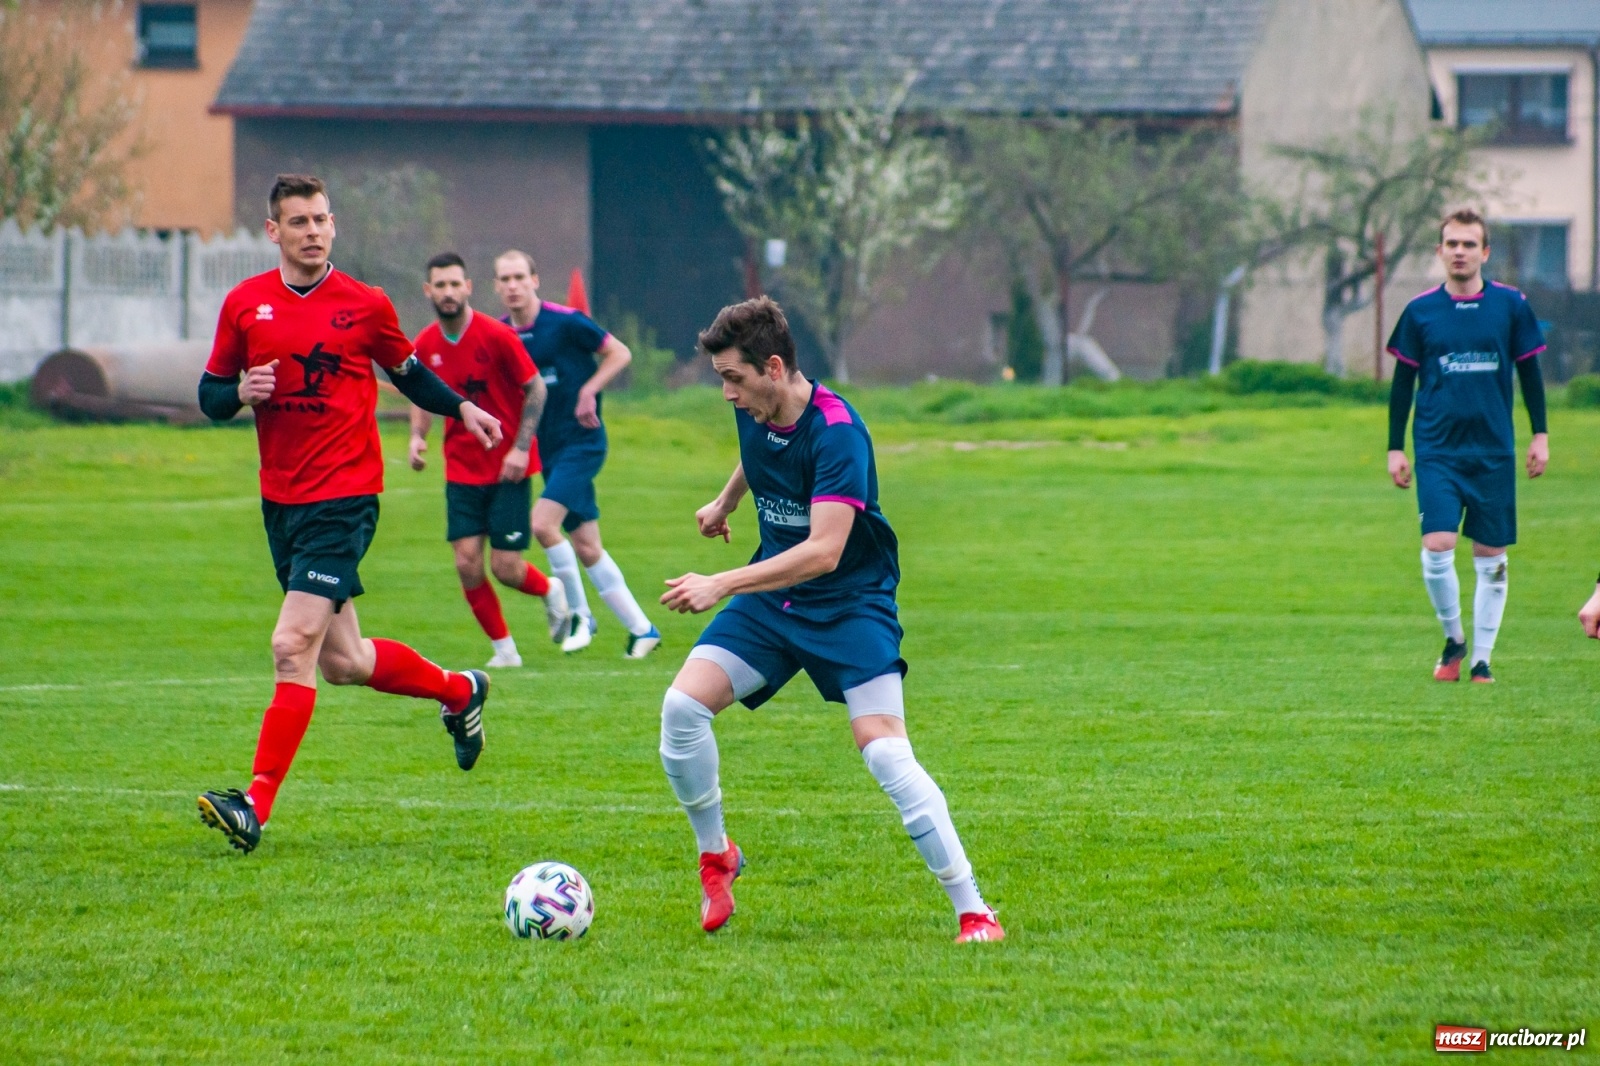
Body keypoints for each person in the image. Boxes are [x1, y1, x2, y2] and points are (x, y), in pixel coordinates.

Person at [656, 296, 1004, 943]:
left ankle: (975, 911)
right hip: (774, 602)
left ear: (774, 367)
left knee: (886, 754)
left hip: (850, 603)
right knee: (681, 710)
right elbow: (760, 449)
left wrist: (720, 583)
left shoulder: (839, 431)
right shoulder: (757, 405)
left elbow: (824, 552)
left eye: (734, 378)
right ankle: (717, 857)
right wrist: (726, 500)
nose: (727, 393)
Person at [194, 174, 504, 854]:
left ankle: (255, 804)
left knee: (291, 645)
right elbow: (209, 394)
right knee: (344, 661)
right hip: (282, 501)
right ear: (273, 231)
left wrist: (463, 408)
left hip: (345, 496)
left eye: (321, 219)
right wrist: (240, 391)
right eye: (298, 221)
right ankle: (460, 691)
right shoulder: (245, 305)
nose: (312, 231)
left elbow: (409, 373)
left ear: (333, 225)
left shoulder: (366, 304)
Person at [1387, 208, 1549, 683]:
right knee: (1437, 545)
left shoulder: (1510, 305)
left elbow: (1530, 373)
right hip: (1437, 450)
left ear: (1485, 252)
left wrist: (1540, 434)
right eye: (1452, 244)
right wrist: (1395, 447)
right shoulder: (1420, 311)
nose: (1460, 252)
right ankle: (1453, 636)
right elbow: (1402, 384)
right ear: (1439, 251)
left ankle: (1481, 659)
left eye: (1469, 244)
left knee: (1491, 557)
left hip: (1493, 451)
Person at [493, 249, 659, 657]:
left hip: (582, 443)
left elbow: (620, 352)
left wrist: (589, 389)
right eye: (505, 279)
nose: (513, 286)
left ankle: (580, 616)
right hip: (548, 449)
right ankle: (643, 629)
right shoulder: (501, 334)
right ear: (496, 287)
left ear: (534, 280)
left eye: (519, 277)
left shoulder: (566, 322)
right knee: (586, 545)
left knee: (542, 524)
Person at [408, 252, 570, 668]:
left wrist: (521, 448)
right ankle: (505, 651)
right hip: (461, 469)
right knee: (466, 563)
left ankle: (550, 589)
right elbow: (420, 393)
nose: (447, 292)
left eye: (454, 284)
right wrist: (417, 437)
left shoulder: (497, 335)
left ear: (468, 287)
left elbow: (536, 388)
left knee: (505, 567)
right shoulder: (425, 344)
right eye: (439, 285)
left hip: (506, 469)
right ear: (428, 291)